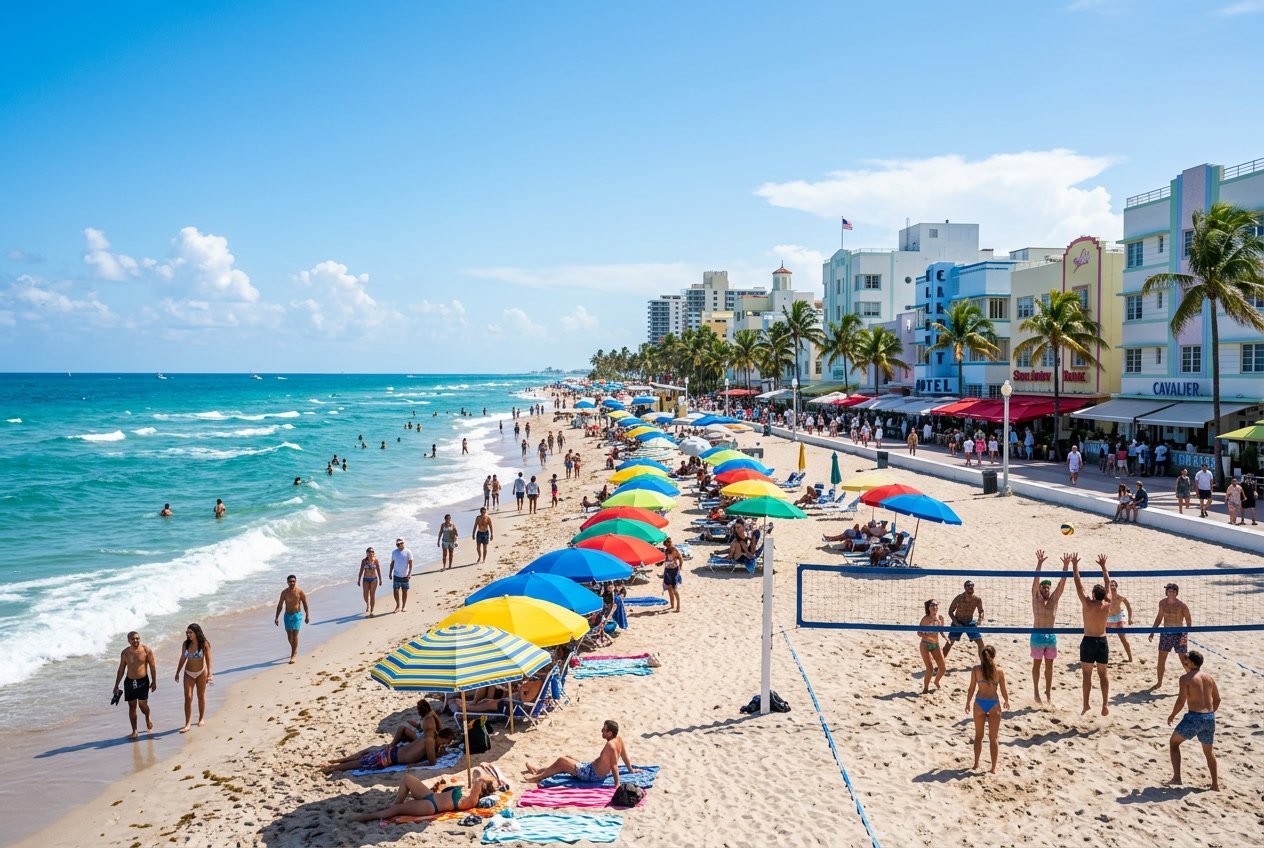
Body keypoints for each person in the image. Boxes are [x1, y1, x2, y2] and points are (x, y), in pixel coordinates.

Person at [523, 720, 638, 787]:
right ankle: (538, 770)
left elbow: (614, 766)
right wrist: (631, 770)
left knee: (562, 760)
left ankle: (537, 777)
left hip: (591, 775)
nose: (601, 731)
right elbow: (624, 756)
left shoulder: (610, 745)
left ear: (610, 733)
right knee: (567, 759)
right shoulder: (619, 739)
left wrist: (617, 784)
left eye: (604, 730)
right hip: (590, 768)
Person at [1166, 650, 1221, 790]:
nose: (1184, 661)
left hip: (1194, 717)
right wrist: (1210, 713)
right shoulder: (1209, 677)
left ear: (1191, 662)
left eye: (1186, 659)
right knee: (1209, 752)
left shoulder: (1185, 678)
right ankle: (1215, 785)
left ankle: (1177, 778)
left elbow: (1180, 701)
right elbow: (1218, 699)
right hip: (1209, 718)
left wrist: (1172, 714)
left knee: (1174, 743)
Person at [351, 772, 498, 821]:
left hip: (430, 807)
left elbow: (479, 779)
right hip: (429, 795)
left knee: (397, 809)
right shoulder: (467, 793)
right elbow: (476, 775)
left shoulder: (471, 800)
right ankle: (393, 806)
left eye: (481, 784)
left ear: (481, 788)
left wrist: (491, 781)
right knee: (407, 778)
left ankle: (368, 817)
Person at [1071, 553, 1112, 716]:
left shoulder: (1087, 603)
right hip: (1102, 641)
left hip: (1088, 641)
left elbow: (1078, 584)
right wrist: (1103, 566)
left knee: (1086, 675)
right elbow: (1108, 583)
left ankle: (1086, 704)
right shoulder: (1107, 604)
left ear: (1094, 595)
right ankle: (1105, 704)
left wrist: (1075, 565)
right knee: (1103, 674)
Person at [1030, 550, 1070, 704]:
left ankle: (1048, 693)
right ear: (1040, 590)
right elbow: (1035, 581)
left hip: (1051, 636)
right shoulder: (1036, 598)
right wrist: (1039, 563)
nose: (1046, 590)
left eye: (1048, 588)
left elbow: (1062, 584)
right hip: (1038, 635)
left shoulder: (1054, 599)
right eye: (1044, 588)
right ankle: (1036, 692)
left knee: (1049, 667)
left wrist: (1065, 566)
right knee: (1036, 665)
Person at [965, 645, 1009, 774]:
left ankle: (976, 764)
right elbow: (1003, 689)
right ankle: (993, 768)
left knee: (978, 736)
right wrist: (1006, 700)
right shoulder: (999, 671)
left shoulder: (976, 670)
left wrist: (967, 703)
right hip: (993, 704)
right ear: (993, 656)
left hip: (979, 704)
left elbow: (971, 689)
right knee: (993, 738)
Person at [113, 631, 157, 739]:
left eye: (137, 638)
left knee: (142, 706)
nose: (136, 640)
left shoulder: (146, 650)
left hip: (143, 681)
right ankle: (134, 731)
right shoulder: (125, 653)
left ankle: (147, 717)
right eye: (133, 639)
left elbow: (152, 667)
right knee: (132, 707)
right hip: (129, 682)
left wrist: (154, 681)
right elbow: (121, 670)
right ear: (129, 641)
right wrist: (116, 685)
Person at [1149, 582, 1192, 690]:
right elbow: (1159, 617)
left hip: (1179, 634)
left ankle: (1191, 681)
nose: (1171, 593)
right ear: (1166, 592)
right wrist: (1153, 631)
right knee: (1161, 659)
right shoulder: (1162, 603)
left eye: (1173, 591)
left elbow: (1188, 621)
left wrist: (1185, 635)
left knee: (1184, 660)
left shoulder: (1182, 605)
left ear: (1176, 593)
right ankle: (1159, 682)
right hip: (1166, 633)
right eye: (1169, 591)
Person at [174, 623, 212, 733]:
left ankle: (201, 718)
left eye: (190, 632)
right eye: (187, 632)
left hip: (201, 672)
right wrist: (177, 672)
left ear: (196, 632)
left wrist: (210, 673)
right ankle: (187, 723)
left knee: (200, 696)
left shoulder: (204, 644)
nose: (188, 634)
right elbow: (182, 658)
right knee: (188, 697)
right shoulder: (186, 644)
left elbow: (209, 660)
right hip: (188, 673)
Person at [942, 580, 986, 662]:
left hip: (969, 622)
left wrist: (979, 620)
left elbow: (981, 611)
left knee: (980, 643)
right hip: (958, 622)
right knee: (949, 643)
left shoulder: (977, 599)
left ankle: (984, 664)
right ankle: (939, 663)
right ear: (965, 588)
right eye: (968, 585)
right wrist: (956, 623)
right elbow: (950, 611)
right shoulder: (959, 598)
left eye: (972, 585)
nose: (971, 587)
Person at [274, 575, 310, 664]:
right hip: (287, 615)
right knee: (289, 636)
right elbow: (280, 605)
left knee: (295, 635)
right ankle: (294, 649)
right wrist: (276, 617)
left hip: (297, 615)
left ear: (296, 581)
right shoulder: (284, 593)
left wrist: (307, 616)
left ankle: (293, 655)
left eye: (293, 581)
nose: (292, 583)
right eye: (290, 581)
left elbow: (305, 604)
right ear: (287, 582)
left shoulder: (300, 592)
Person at [917, 599, 946, 694]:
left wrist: (945, 638)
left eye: (936, 605)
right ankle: (925, 688)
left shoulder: (940, 618)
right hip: (925, 644)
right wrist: (923, 635)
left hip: (935, 644)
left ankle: (936, 681)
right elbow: (919, 632)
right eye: (932, 605)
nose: (935, 607)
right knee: (930, 668)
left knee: (943, 668)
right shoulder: (925, 619)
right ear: (928, 608)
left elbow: (941, 630)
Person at [1106, 579, 1134, 662]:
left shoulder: (1120, 598)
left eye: (1114, 585)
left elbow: (1129, 606)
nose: (1112, 587)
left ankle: (1130, 658)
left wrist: (1130, 618)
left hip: (1118, 619)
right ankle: (1098, 659)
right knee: (1101, 639)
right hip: (1108, 619)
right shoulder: (1105, 598)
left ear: (1116, 587)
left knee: (1123, 639)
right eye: (1110, 585)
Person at [390, 538, 413, 612]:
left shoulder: (408, 552)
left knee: (404, 591)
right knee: (395, 591)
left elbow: (410, 563)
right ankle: (397, 605)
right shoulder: (394, 552)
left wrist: (409, 573)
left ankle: (404, 606)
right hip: (396, 574)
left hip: (405, 575)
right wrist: (390, 572)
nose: (399, 545)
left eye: (401, 543)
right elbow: (392, 563)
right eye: (398, 544)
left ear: (403, 543)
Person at [661, 537, 683, 613]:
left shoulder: (674, 550)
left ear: (669, 543)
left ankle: (678, 606)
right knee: (669, 588)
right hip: (667, 570)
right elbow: (665, 560)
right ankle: (672, 605)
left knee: (674, 589)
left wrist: (680, 567)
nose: (666, 546)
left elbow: (680, 558)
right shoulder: (666, 550)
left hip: (674, 570)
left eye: (666, 544)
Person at [358, 547, 381, 616]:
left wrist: (380, 579)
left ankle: (372, 611)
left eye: (372, 552)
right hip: (366, 579)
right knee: (365, 595)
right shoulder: (364, 561)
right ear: (367, 553)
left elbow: (379, 570)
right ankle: (367, 603)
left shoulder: (376, 561)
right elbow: (361, 570)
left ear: (374, 553)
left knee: (372, 595)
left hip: (374, 579)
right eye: (369, 552)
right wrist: (359, 579)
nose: (371, 553)